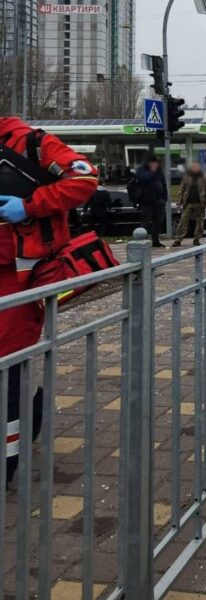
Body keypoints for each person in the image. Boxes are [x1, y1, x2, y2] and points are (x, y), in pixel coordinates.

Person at [0, 116, 98, 481]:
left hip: (19, 279)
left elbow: (84, 179)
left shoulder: (31, 143)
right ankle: (32, 408)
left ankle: (7, 463)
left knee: (7, 368)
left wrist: (29, 206)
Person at [133, 156, 167, 247]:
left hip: (159, 202)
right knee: (145, 222)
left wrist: (164, 199)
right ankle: (142, 240)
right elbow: (137, 186)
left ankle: (155, 240)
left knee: (158, 222)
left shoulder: (160, 174)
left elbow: (164, 186)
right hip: (146, 202)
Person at [173, 162, 206, 247]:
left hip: (200, 203)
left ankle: (197, 239)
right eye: (194, 167)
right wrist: (179, 200)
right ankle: (178, 239)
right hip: (188, 203)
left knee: (199, 222)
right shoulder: (187, 177)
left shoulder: (203, 178)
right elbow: (182, 189)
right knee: (183, 221)